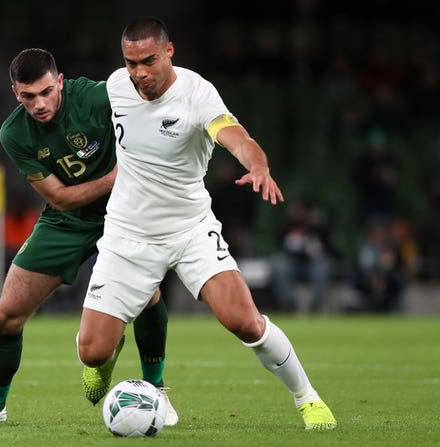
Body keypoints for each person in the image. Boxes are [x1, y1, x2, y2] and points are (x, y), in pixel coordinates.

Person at [76, 17, 337, 430]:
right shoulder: (115, 86)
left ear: (169, 51)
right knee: (91, 351)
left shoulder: (197, 94)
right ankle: (103, 365)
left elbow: (236, 136)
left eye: (148, 61)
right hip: (128, 232)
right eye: (130, 63)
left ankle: (308, 399)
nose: (139, 73)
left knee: (244, 321)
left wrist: (259, 166)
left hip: (189, 229)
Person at [0, 48, 177, 424]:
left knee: (147, 296)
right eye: (28, 97)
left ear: (60, 81)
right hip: (67, 220)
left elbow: (157, 97)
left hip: (126, 213)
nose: (39, 104)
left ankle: (156, 392)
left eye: (46, 92)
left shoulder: (98, 96)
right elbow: (61, 198)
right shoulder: (14, 132)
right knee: (6, 315)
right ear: (16, 93)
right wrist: (120, 173)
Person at [270, 196, 334, 313]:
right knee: (279, 267)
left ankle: (315, 306)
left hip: (313, 263)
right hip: (293, 262)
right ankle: (288, 304)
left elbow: (328, 243)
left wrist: (314, 222)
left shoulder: (318, 225)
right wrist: (291, 220)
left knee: (323, 268)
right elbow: (279, 238)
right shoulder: (289, 223)